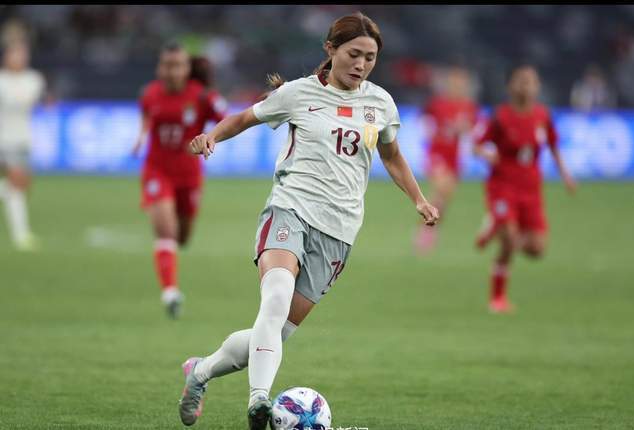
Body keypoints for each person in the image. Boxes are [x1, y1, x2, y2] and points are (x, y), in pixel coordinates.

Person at [177, 12, 439, 430]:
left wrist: (419, 199)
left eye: (370, 58)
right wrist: (212, 136)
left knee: (274, 334)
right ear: (331, 49)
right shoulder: (298, 94)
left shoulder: (380, 104)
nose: (361, 64)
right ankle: (259, 400)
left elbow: (391, 156)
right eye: (354, 54)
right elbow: (244, 118)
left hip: (339, 232)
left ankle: (201, 372)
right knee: (275, 297)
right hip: (290, 209)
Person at [133, 43, 227, 319]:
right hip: (157, 171)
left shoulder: (203, 96)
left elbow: (228, 119)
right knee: (166, 231)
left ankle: (170, 277)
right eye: (166, 65)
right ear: (159, 67)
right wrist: (140, 137)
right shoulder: (149, 94)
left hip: (189, 175)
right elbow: (146, 116)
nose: (171, 71)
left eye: (177, 65)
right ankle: (170, 292)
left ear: (187, 69)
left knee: (182, 237)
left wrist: (211, 138)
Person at [473, 63, 576, 313]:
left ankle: (493, 228)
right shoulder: (500, 116)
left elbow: (553, 146)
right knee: (509, 240)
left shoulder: (542, 116)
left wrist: (565, 174)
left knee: (537, 249)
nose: (525, 86)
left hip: (531, 188)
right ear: (510, 86)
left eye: (530, 81)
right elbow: (476, 146)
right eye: (521, 81)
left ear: (538, 86)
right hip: (503, 186)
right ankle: (498, 298)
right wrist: (488, 154)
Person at [415, 65, 478, 253]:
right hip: (437, 153)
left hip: (454, 157)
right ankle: (426, 229)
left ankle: (429, 227)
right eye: (455, 81)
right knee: (441, 187)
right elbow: (423, 119)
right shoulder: (438, 103)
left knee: (442, 199)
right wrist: (429, 133)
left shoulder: (469, 106)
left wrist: (464, 130)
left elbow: (472, 130)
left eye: (461, 82)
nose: (458, 85)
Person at [0, 40, 45, 251]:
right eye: (15, 54)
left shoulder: (33, 79)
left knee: (22, 186)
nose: (19, 58)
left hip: (21, 139)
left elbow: (26, 101)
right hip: (2, 138)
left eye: (23, 54)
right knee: (16, 186)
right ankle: (21, 235)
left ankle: (21, 234)